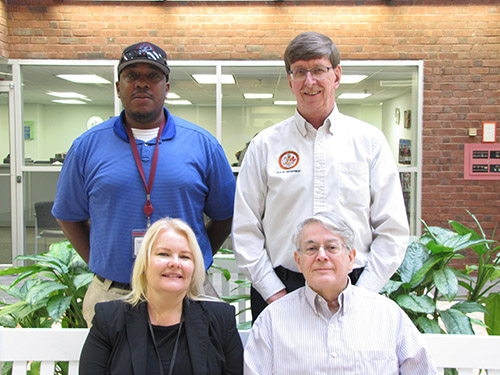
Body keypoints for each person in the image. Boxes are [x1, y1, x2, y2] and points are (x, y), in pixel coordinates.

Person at [52, 41, 236, 325]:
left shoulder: (202, 144)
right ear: (118, 86)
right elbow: (69, 216)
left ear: (167, 87)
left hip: (186, 292)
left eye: (153, 76)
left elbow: (225, 215)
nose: (142, 84)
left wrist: (193, 257)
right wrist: (103, 261)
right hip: (112, 295)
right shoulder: (87, 146)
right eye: (131, 76)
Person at [232, 31, 409, 320]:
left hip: (355, 285)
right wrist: (272, 291)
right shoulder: (265, 145)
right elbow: (245, 228)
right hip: (281, 287)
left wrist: (365, 291)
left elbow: (392, 228)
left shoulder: (369, 142)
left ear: (336, 76)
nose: (309, 81)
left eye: (318, 70)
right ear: (290, 80)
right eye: (300, 71)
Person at [244, 212, 437, 375]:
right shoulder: (272, 320)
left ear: (351, 258)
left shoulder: (387, 315)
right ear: (298, 261)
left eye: (332, 247)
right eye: (311, 249)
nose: (321, 256)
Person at [79, 217, 243, 375]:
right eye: (163, 254)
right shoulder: (109, 320)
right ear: (144, 265)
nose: (175, 263)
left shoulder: (221, 319)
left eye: (185, 256)